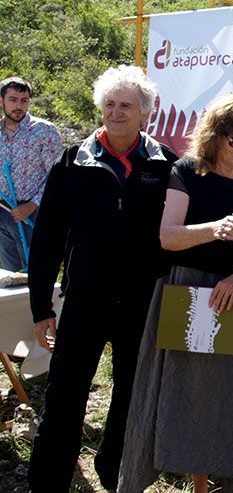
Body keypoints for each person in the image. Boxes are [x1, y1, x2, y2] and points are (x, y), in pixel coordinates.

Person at [27, 65, 177, 491]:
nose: (117, 112)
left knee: (130, 397)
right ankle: (47, 482)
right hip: (84, 302)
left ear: (145, 111)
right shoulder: (73, 161)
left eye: (127, 104)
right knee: (63, 398)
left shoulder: (167, 165)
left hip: (142, 304)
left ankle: (118, 477)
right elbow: (47, 239)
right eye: (110, 104)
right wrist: (42, 307)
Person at [118, 93, 233, 493]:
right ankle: (182, 479)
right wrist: (214, 228)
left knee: (224, 396)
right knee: (177, 390)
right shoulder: (187, 171)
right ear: (215, 135)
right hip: (185, 292)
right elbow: (168, 237)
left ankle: (217, 483)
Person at [0, 76, 62, 272]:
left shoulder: (44, 131)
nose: (19, 106)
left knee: (37, 273)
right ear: (1, 101)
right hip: (3, 214)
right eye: (13, 100)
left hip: (34, 215)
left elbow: (57, 176)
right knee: (11, 276)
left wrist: (32, 204)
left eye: (24, 100)